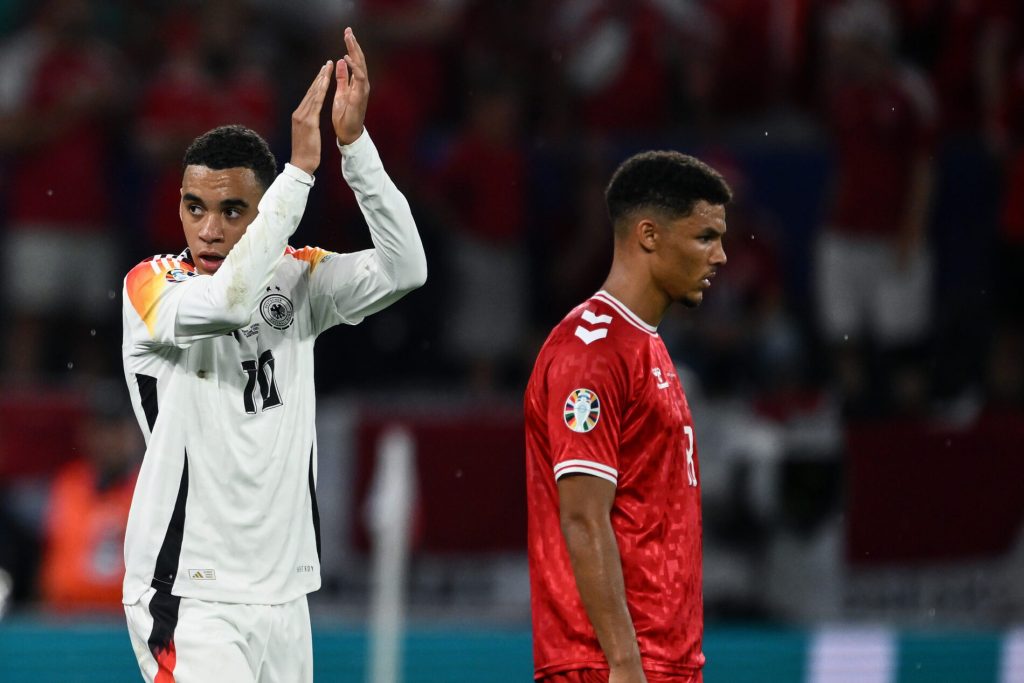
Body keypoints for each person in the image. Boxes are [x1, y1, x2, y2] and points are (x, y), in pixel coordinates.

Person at [120, 28, 426, 682]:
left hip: (284, 592)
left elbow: (406, 268)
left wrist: (355, 148)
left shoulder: (298, 278)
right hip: (190, 590)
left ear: (265, 215)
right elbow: (229, 302)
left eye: (233, 211)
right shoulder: (151, 287)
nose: (208, 229)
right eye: (194, 206)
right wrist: (297, 175)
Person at [525, 150, 731, 683]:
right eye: (705, 237)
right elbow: (582, 516)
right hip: (606, 666)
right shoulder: (591, 351)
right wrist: (623, 661)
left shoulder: (645, 346)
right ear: (649, 235)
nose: (721, 256)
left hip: (662, 661)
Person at [39, 381, 142, 613]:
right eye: (100, 430)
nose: (108, 440)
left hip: (126, 620)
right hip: (67, 618)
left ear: (133, 433)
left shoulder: (149, 488)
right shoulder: (69, 484)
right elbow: (54, 563)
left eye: (116, 430)